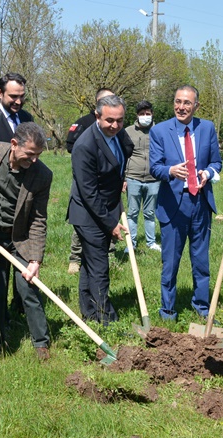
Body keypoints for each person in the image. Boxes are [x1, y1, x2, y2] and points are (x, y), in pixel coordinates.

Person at [0, 123, 53, 361]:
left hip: (20, 238)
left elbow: (39, 219)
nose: (34, 159)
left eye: (38, 154)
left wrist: (35, 259)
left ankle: (41, 343)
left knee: (28, 288)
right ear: (14, 144)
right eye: (30, 154)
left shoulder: (42, 175)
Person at [149, 85, 222, 321]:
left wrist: (207, 174)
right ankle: (168, 311)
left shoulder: (207, 128)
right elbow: (154, 167)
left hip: (200, 203)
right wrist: (170, 170)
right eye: (178, 102)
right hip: (172, 205)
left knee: (201, 260)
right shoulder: (159, 131)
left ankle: (202, 308)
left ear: (196, 106)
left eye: (187, 103)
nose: (181, 107)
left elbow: (216, 163)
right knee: (170, 262)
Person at [68, 95, 129, 324]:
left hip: (106, 207)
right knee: (99, 266)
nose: (115, 125)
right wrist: (110, 223)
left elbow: (124, 153)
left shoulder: (118, 134)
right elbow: (88, 193)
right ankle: (107, 320)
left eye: (120, 120)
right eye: (110, 120)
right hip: (88, 214)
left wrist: (120, 179)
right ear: (97, 116)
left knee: (90, 263)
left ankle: (89, 312)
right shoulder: (85, 146)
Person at [124, 100, 159, 251]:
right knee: (132, 212)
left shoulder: (159, 131)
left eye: (148, 114)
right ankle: (131, 243)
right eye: (142, 114)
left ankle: (151, 243)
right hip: (133, 177)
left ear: (152, 114)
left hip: (153, 179)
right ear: (137, 115)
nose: (145, 116)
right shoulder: (127, 131)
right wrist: (123, 178)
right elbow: (122, 156)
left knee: (150, 213)